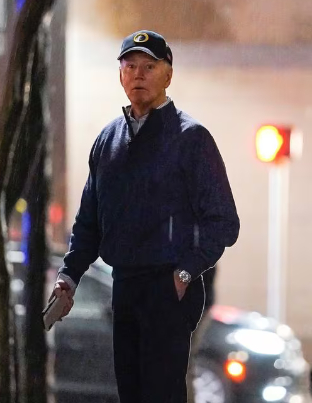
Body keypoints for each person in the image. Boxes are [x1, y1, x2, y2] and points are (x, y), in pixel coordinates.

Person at [51, 30, 240, 403]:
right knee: (131, 392)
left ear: (168, 74)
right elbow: (89, 221)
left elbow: (223, 221)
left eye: (149, 66)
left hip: (168, 288)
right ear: (120, 74)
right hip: (123, 286)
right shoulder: (108, 140)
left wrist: (185, 272)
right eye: (130, 66)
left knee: (162, 393)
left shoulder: (191, 139)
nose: (138, 74)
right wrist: (68, 277)